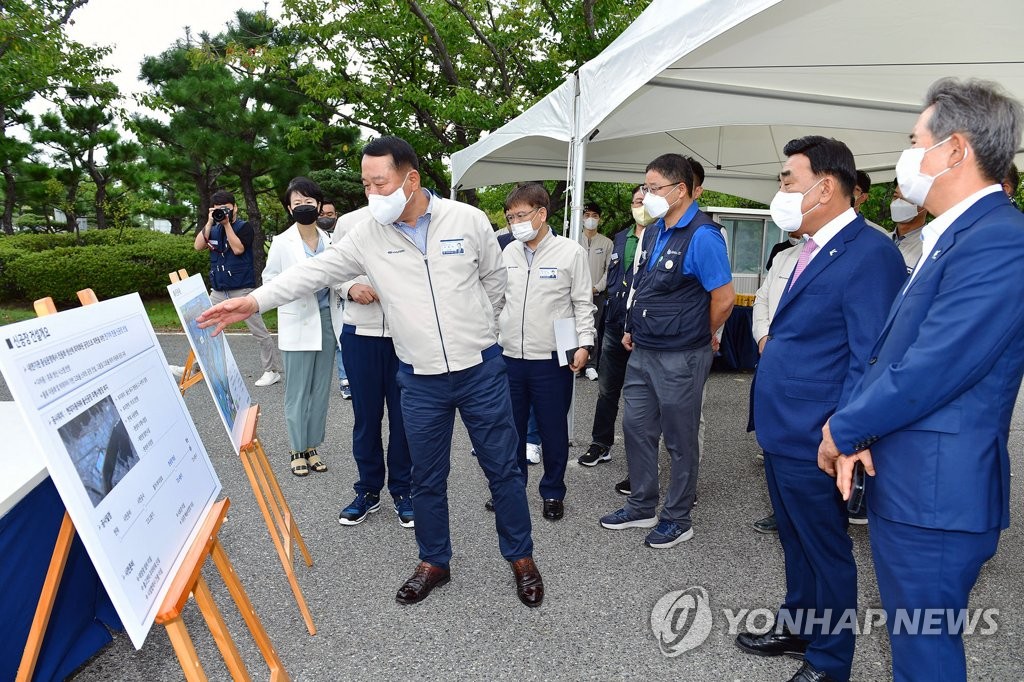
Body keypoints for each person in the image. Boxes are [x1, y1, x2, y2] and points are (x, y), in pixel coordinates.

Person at [197, 136, 543, 609]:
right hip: (420, 377)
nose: (372, 193)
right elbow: (314, 273)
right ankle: (434, 560)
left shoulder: (467, 220)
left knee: (502, 468)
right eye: (366, 184)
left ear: (411, 179)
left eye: (380, 183)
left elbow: (493, 281)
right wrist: (254, 300)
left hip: (480, 369)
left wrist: (478, 328)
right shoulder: (366, 233)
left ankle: (520, 558)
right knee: (425, 475)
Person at [820, 78, 1024, 682]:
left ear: (955, 150)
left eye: (916, 142)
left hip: (936, 497)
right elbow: (896, 356)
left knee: (924, 658)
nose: (907, 158)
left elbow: (930, 368)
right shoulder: (957, 237)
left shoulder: (998, 241)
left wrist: (843, 429)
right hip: (916, 487)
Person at [734, 136, 906, 682]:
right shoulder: (809, 247)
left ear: (825, 186)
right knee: (796, 538)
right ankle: (800, 625)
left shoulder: (870, 252)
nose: (780, 190)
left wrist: (844, 431)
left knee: (826, 549)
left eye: (787, 179)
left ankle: (831, 662)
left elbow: (871, 356)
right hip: (785, 430)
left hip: (818, 434)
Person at [598, 153, 734, 549]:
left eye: (654, 188)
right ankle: (641, 505)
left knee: (679, 437)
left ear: (680, 190)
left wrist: (695, 334)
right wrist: (632, 328)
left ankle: (678, 517)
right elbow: (645, 286)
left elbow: (723, 300)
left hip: (681, 355)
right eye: (645, 187)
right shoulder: (656, 231)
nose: (647, 194)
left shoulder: (704, 236)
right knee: (636, 428)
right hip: (643, 349)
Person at [498, 183, 595, 521]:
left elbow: (583, 303)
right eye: (510, 217)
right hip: (510, 357)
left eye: (521, 215)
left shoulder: (570, 252)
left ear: (541, 214)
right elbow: (496, 302)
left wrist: (584, 344)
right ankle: (511, 490)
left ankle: (553, 491)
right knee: (510, 429)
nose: (515, 223)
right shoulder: (506, 252)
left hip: (552, 360)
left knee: (553, 430)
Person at [329, 206, 414, 528]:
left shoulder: (413, 221)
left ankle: (403, 491)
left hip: (404, 336)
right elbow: (332, 270)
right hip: (359, 335)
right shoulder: (349, 222)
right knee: (366, 418)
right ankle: (367, 490)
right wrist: (349, 287)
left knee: (403, 419)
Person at [263, 177, 335, 477]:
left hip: (327, 322)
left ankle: (312, 446)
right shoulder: (282, 242)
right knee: (297, 391)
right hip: (298, 321)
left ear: (318, 205)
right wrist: (294, 288)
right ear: (289, 208)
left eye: (308, 202)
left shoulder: (330, 240)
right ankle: (296, 449)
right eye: (297, 203)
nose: (303, 207)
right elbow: (269, 280)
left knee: (320, 391)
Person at [578, 185, 650, 468]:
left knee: (641, 396)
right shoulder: (622, 238)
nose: (639, 205)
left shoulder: (662, 237)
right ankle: (601, 443)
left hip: (644, 330)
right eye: (635, 201)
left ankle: (640, 459)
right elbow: (614, 277)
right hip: (615, 322)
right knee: (607, 389)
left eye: (644, 201)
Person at [193, 189, 282, 387]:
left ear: (235, 208)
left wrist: (226, 225)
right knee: (204, 326)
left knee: (259, 331)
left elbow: (238, 249)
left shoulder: (244, 227)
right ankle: (197, 368)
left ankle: (272, 370)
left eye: (225, 209)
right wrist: (209, 222)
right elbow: (198, 246)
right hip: (218, 289)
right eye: (217, 210)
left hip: (242, 290)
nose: (221, 213)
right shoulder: (212, 228)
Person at [748, 237, 801, 535]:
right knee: (776, 443)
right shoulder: (786, 255)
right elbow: (763, 298)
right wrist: (764, 337)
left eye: (789, 185)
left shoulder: (869, 246)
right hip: (773, 358)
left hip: (814, 374)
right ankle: (780, 510)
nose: (782, 193)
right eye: (781, 185)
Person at [317, 199, 351, 399]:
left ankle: (346, 380)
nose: (326, 218)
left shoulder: (343, 235)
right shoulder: (314, 237)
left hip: (339, 293)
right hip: (319, 298)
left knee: (342, 338)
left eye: (330, 214)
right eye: (322, 214)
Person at [578, 202, 613, 380]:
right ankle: (576, 362)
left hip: (597, 294)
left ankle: (591, 365)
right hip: (575, 293)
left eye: (594, 215)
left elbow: (609, 270)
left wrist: (597, 287)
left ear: (599, 218)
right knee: (574, 327)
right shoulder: (574, 239)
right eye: (587, 215)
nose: (590, 219)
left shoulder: (607, 243)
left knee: (594, 328)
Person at [888, 182, 926, 273]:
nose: (898, 202)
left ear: (926, 204)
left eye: (906, 198)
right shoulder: (881, 239)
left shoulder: (929, 246)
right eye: (895, 196)